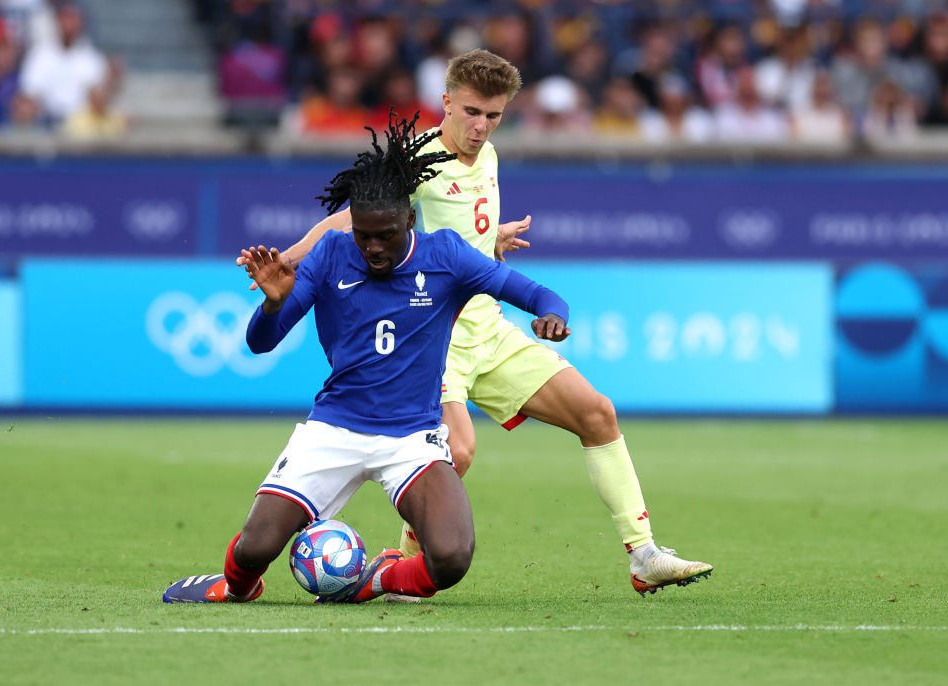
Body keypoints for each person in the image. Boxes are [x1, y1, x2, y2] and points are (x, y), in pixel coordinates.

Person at [260, 49, 712, 597]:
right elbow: (350, 217)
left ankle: (644, 556)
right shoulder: (416, 158)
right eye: (471, 112)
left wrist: (489, 240)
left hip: (489, 329)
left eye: (493, 116)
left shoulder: (489, 156)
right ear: (445, 101)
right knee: (462, 448)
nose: (480, 126)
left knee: (597, 412)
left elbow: (452, 238)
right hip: (434, 334)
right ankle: (402, 566)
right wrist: (292, 258)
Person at [162, 113, 572, 604]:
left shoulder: (447, 256)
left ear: (411, 220)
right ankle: (235, 588)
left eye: (386, 235)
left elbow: (539, 293)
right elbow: (260, 343)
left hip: (412, 438)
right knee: (256, 547)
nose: (373, 247)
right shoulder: (331, 254)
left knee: (452, 557)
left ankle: (375, 581)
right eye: (364, 234)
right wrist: (272, 303)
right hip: (334, 429)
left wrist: (550, 315)